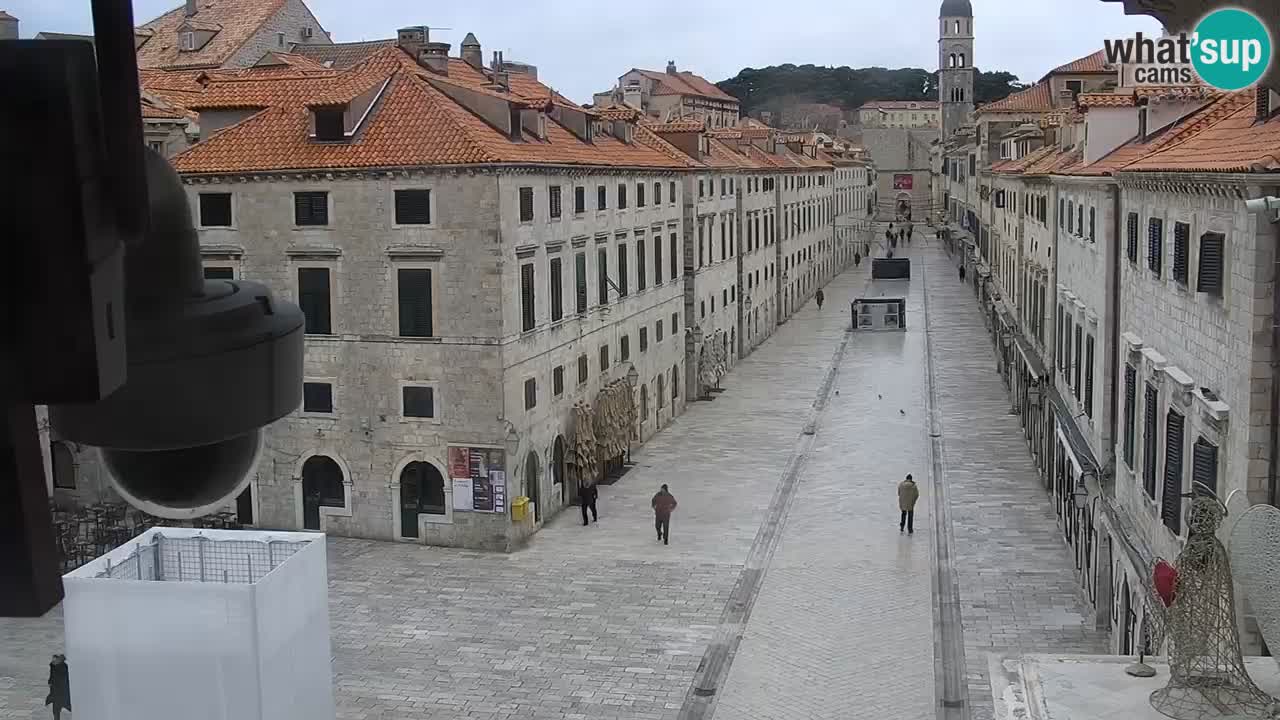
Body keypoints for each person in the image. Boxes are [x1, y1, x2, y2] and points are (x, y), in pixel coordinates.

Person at [46, 654, 70, 720]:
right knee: (56, 709)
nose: (53, 660)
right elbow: (52, 675)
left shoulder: (63, 666)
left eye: (54, 659)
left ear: (58, 659)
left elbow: (64, 678)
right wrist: (50, 681)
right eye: (52, 659)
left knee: (59, 706)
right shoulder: (53, 666)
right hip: (55, 689)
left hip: (60, 690)